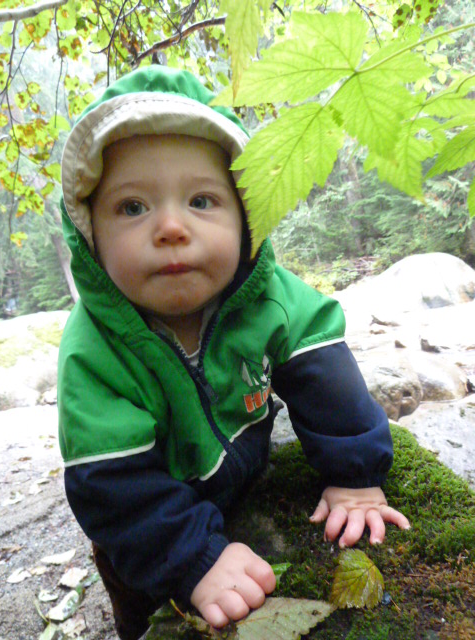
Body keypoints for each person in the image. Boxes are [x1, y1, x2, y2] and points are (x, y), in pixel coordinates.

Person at [58, 65, 410, 640]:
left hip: (242, 476)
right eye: (132, 207)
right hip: (146, 523)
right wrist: (191, 558)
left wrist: (354, 476)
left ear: (246, 219)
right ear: (90, 234)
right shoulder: (95, 350)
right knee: (140, 604)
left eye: (201, 200)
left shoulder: (268, 296)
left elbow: (325, 374)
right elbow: (110, 483)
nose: (171, 226)